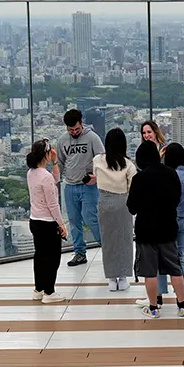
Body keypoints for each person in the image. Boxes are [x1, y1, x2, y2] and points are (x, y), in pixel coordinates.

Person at [127, 140, 184, 320]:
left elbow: (131, 207)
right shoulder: (171, 173)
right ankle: (182, 305)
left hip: (146, 230)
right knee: (175, 268)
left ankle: (154, 307)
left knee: (150, 271)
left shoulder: (139, 178)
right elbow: (177, 199)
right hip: (168, 228)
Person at [56, 108, 104, 267]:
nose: (74, 132)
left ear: (81, 123)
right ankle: (79, 252)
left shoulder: (92, 138)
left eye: (77, 129)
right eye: (71, 130)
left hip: (88, 185)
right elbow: (61, 162)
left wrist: (96, 178)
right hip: (69, 186)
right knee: (74, 220)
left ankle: (107, 247)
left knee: (91, 217)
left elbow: (102, 160)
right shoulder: (63, 140)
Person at [93, 127, 136, 291]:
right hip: (123, 201)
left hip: (104, 200)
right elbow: (132, 186)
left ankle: (111, 278)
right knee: (125, 239)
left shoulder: (98, 160)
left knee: (108, 240)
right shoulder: (129, 165)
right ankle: (123, 277)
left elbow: (95, 174)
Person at [156, 142, 184, 304]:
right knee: (179, 256)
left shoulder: (170, 175)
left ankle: (159, 293)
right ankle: (180, 293)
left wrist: (158, 159)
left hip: (167, 220)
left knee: (161, 256)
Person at [26, 139, 69, 304]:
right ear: (45, 154)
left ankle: (39, 289)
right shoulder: (45, 177)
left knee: (40, 256)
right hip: (48, 223)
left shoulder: (31, 173)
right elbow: (53, 205)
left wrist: (55, 162)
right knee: (53, 258)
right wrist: (61, 224)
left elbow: (55, 179)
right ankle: (49, 292)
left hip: (35, 221)